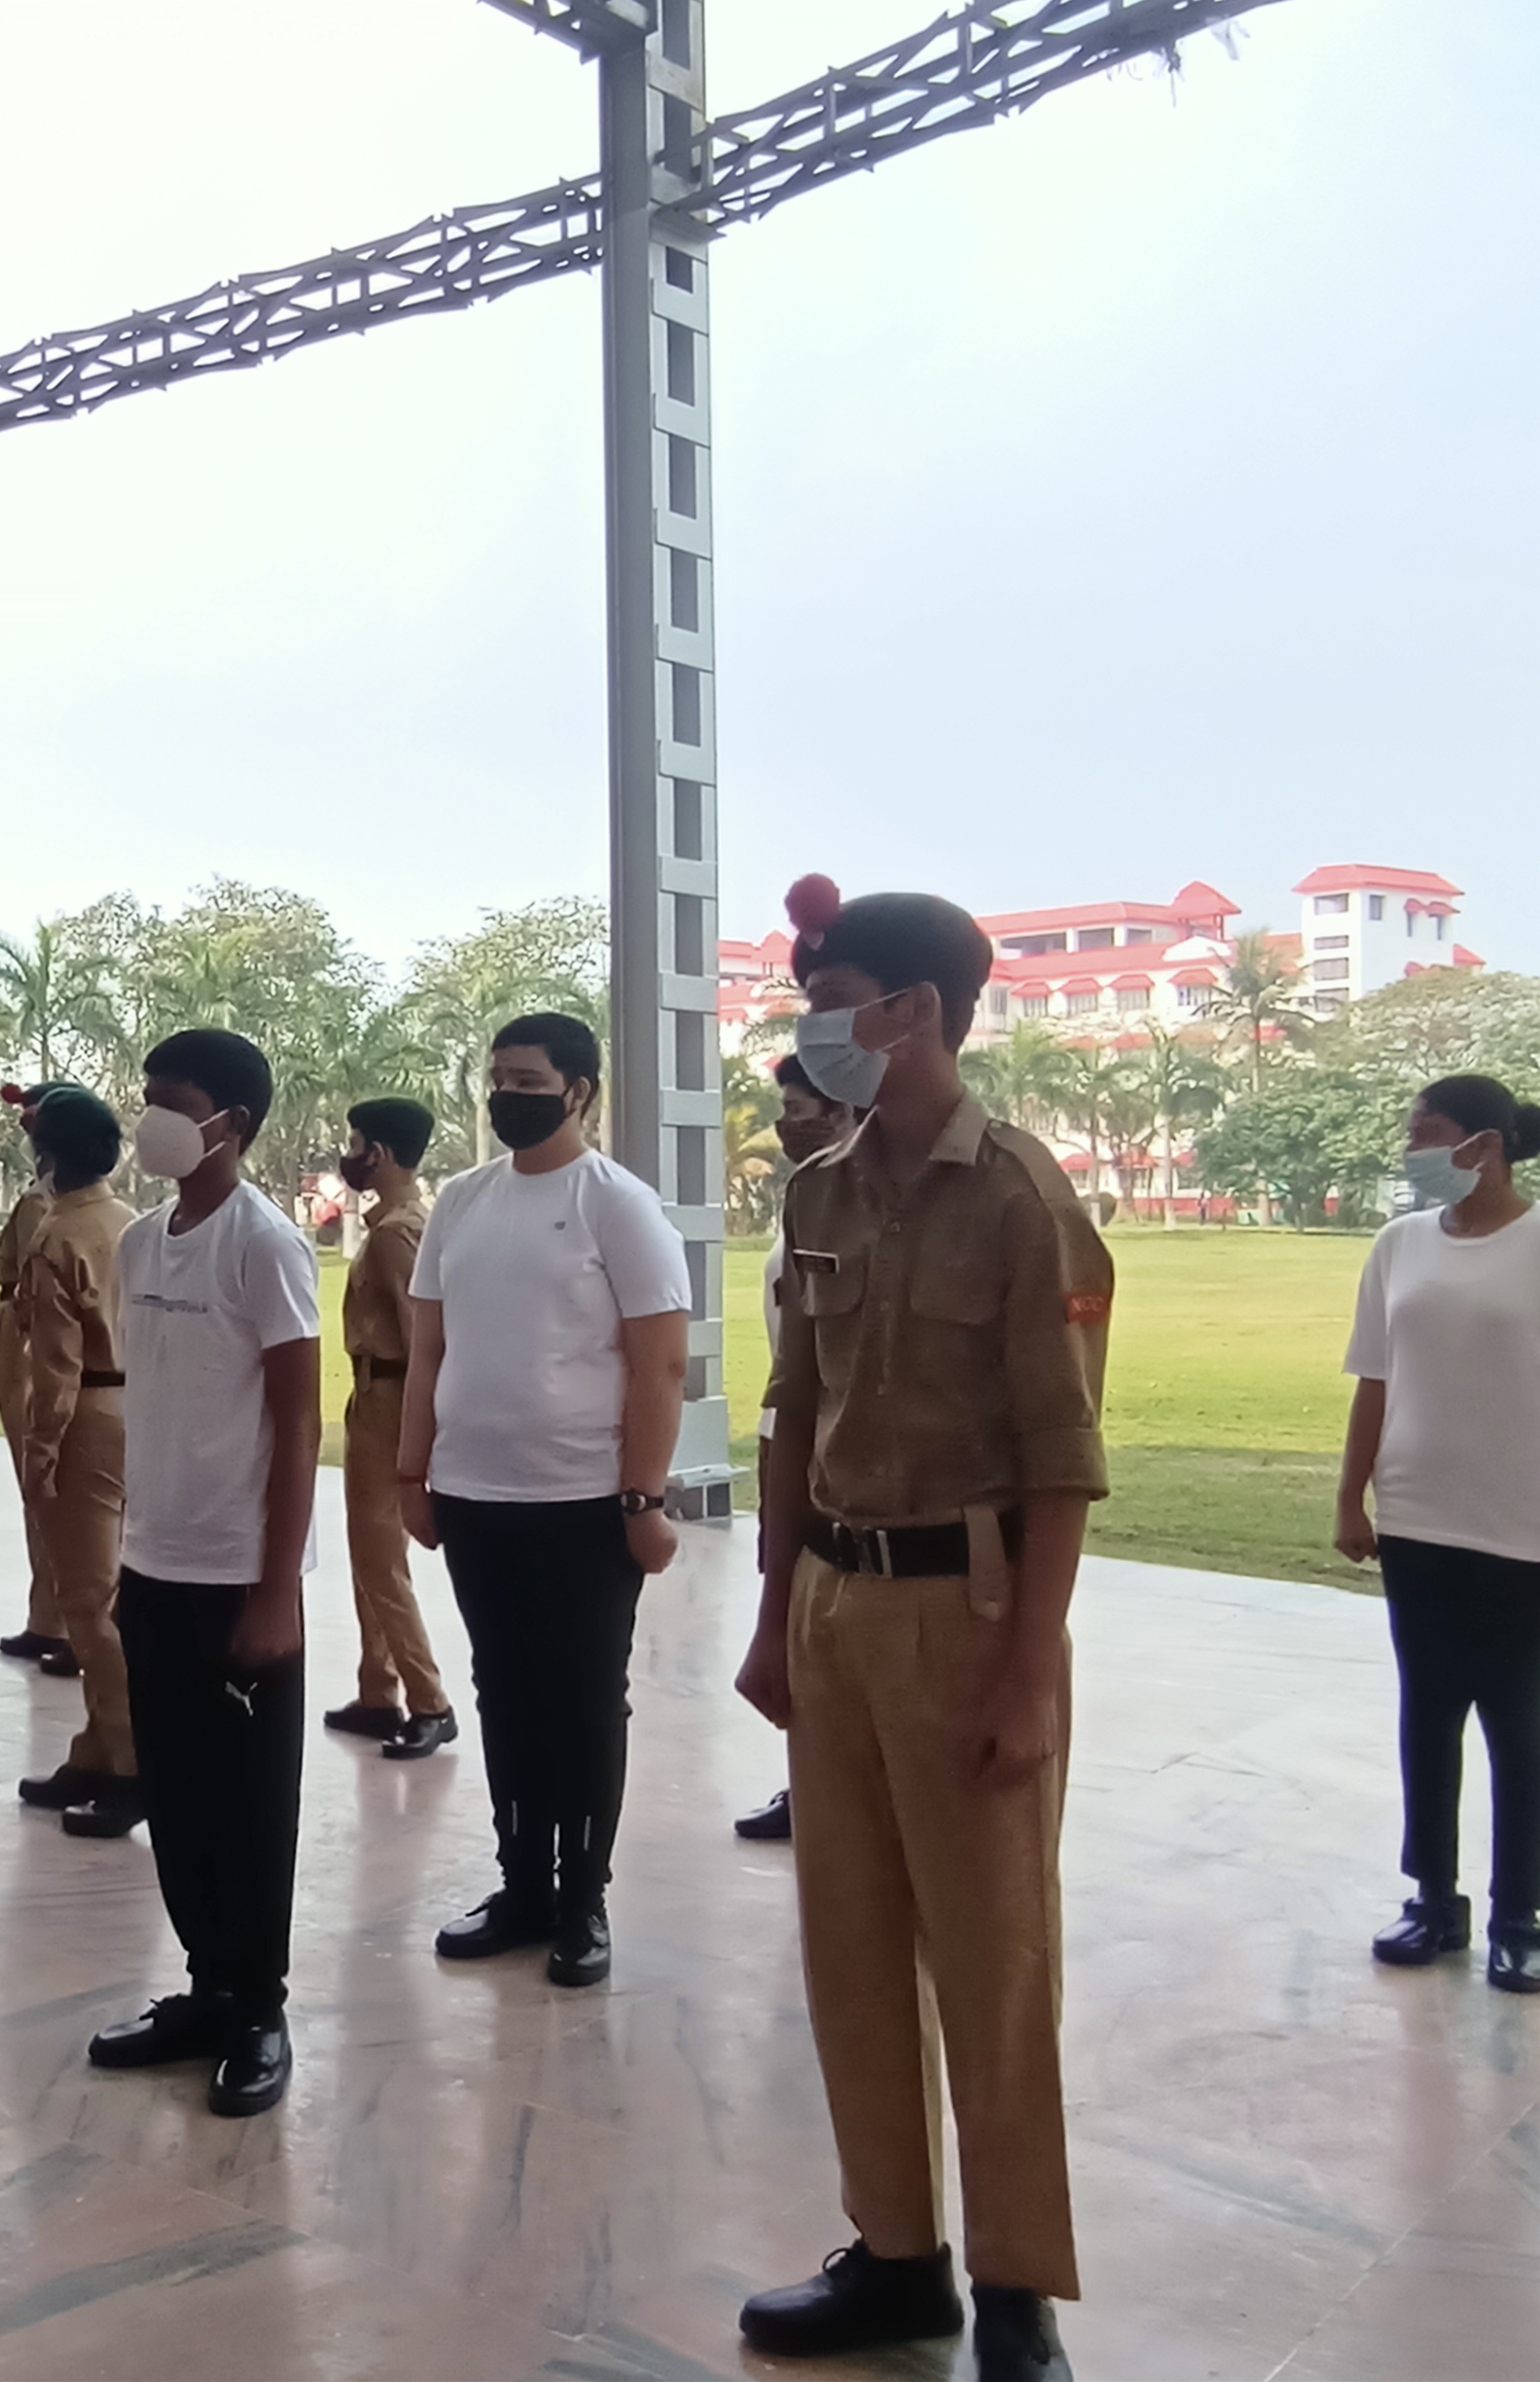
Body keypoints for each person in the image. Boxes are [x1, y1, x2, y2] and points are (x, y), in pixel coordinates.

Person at [734, 877, 1105, 2382]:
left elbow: (1062, 1459)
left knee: (993, 1959)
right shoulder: (819, 1191)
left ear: (917, 1014)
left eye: (835, 1004)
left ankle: (1018, 2290)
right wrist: (774, 1617)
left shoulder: (1020, 1198)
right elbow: (793, 1416)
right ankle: (897, 2259)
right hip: (836, 1600)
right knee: (851, 1947)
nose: (813, 1030)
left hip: (970, 1607)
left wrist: (1025, 1679)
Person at [400, 1017, 689, 1990]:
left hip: (584, 1502)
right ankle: (522, 1885)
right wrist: (411, 1473)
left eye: (528, 1080)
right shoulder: (462, 1202)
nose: (507, 1095)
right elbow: (428, 1349)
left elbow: (661, 1365)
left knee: (584, 1701)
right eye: (498, 1078)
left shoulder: (617, 1205)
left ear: (579, 1092)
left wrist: (644, 1498)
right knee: (505, 1694)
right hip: (475, 1495)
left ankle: (581, 1900)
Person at [83, 1029, 323, 2120]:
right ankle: (205, 1988)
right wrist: (130, 1550)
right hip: (155, 1561)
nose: (152, 1121)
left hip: (238, 1571)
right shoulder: (141, 1243)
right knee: (177, 1795)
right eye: (148, 1098)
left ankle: (258, 2008)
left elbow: (299, 1419)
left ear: (231, 1122)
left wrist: (277, 1589)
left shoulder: (264, 1245)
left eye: (173, 1103)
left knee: (249, 1803)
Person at [1335, 1072, 1540, 1994]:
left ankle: (1519, 1914)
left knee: (1519, 1723)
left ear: (1484, 1145)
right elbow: (1374, 1379)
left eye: (1428, 1132)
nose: (1413, 1148)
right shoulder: (1399, 1244)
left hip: (1521, 1524)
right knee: (1428, 1712)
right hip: (1419, 1518)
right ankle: (1433, 1899)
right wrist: (1352, 1497)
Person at [6, 1088, 142, 1837]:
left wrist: (40, 1449)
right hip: (133, 1408)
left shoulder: (57, 1233)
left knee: (88, 1602)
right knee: (109, 1593)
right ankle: (96, 1747)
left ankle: (130, 1763)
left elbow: (55, 1363)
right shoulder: (131, 1223)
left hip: (85, 1412)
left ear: (47, 1152)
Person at [737, 1054, 859, 1843]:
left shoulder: (857, 1215)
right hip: (784, 1435)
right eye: (783, 1112)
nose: (788, 1127)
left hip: (831, 1446)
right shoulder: (804, 1207)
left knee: (830, 1616)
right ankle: (807, 1775)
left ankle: (831, 1781)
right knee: (793, 1611)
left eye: (801, 1111)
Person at [327, 1096, 455, 1762]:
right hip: (377, 1392)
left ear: (377, 1153)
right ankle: (378, 1689)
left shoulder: (393, 1235)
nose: (350, 1157)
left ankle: (429, 1701)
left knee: (380, 1559)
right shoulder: (405, 1224)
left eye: (356, 1145)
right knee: (370, 1553)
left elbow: (421, 1335)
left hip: (391, 1397)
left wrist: (418, 1435)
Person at [0, 1083, 76, 1670]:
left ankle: (68, 1621)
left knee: (49, 1483)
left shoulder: (45, 1206)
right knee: (41, 1489)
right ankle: (48, 1616)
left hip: (33, 1338)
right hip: (28, 1333)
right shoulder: (51, 1198)